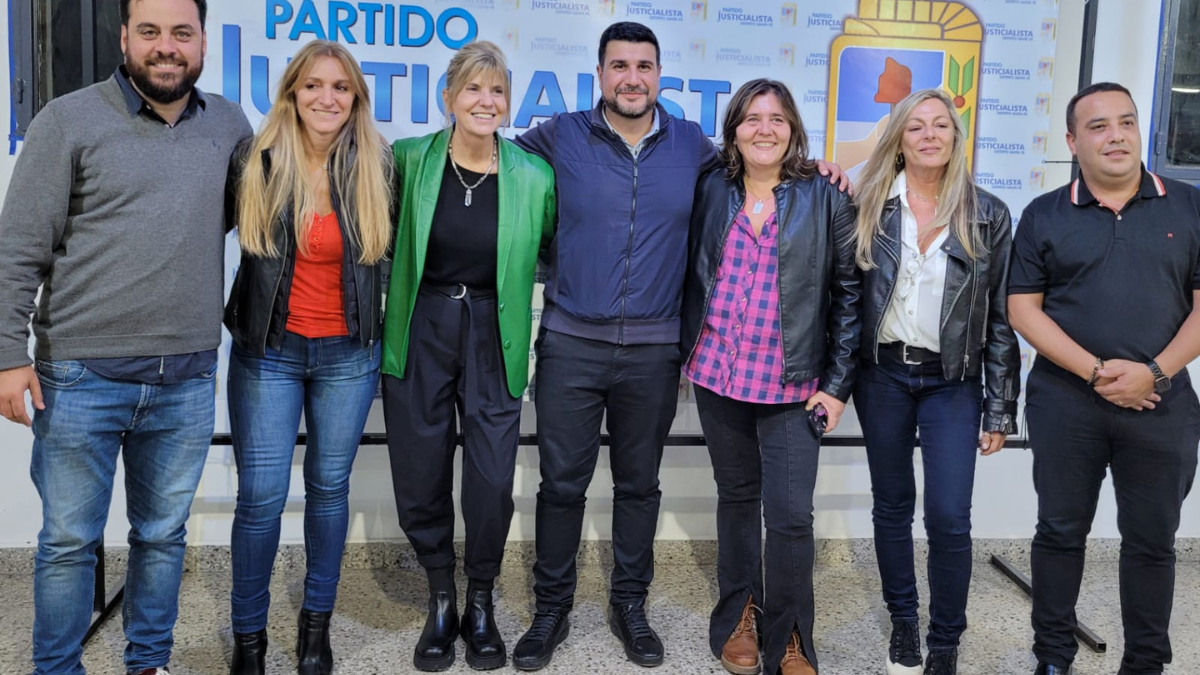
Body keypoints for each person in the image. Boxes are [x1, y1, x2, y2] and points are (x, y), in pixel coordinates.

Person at [509, 22, 849, 671]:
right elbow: (494, 169)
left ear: (659, 75)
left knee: (640, 485)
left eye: (644, 65)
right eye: (619, 65)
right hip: (570, 345)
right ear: (601, 74)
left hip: (656, 352)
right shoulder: (557, 136)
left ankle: (630, 606)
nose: (631, 77)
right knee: (562, 485)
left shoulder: (693, 146)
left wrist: (822, 166)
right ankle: (550, 609)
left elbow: (765, 160)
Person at [0, 0, 251, 672]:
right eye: (150, 32)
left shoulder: (229, 125)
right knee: (67, 542)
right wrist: (6, 356)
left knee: (163, 536)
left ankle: (150, 662)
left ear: (202, 41)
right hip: (79, 376)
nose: (166, 47)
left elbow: (240, 220)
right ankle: (56, 667)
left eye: (181, 33)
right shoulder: (68, 120)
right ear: (124, 38)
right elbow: (19, 247)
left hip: (187, 378)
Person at [1008, 82, 1200, 675]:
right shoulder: (1044, 213)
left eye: (1126, 122)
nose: (1115, 135)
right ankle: (1053, 658)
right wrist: (1094, 373)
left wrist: (1152, 373)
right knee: (1059, 533)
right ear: (1072, 141)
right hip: (1066, 402)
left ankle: (1146, 663)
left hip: (1162, 405)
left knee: (1151, 542)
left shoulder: (1191, 206)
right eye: (1097, 126)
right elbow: (1023, 308)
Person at [381, 40, 556, 672]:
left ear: (510, 103)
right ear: (448, 97)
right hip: (422, 323)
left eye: (498, 91)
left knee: (491, 476)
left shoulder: (534, 177)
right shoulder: (406, 161)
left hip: (495, 331)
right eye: (473, 89)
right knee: (420, 463)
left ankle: (480, 597)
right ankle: (440, 594)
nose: (486, 101)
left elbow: (558, 252)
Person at [222, 39, 394, 675]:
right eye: (314, 85)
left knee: (328, 490)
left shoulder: (379, 165)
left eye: (341, 88)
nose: (327, 98)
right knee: (261, 497)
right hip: (268, 353)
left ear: (356, 99)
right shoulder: (256, 160)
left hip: (349, 356)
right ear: (293, 91)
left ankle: (315, 629)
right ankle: (249, 640)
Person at [681, 79, 860, 675]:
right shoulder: (711, 187)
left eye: (777, 118)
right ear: (733, 129)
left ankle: (789, 639)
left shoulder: (825, 195)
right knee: (736, 500)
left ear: (793, 129)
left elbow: (849, 296)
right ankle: (740, 615)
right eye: (752, 118)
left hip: (794, 382)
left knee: (789, 518)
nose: (765, 128)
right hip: (717, 374)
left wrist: (835, 386)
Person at [851, 88, 1021, 675]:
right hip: (883, 378)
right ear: (899, 138)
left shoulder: (988, 213)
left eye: (940, 125)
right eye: (915, 126)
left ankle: (945, 638)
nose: (928, 135)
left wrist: (1000, 407)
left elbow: (1001, 319)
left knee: (949, 514)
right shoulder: (869, 204)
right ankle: (904, 621)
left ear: (956, 137)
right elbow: (845, 299)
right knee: (892, 505)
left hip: (954, 381)